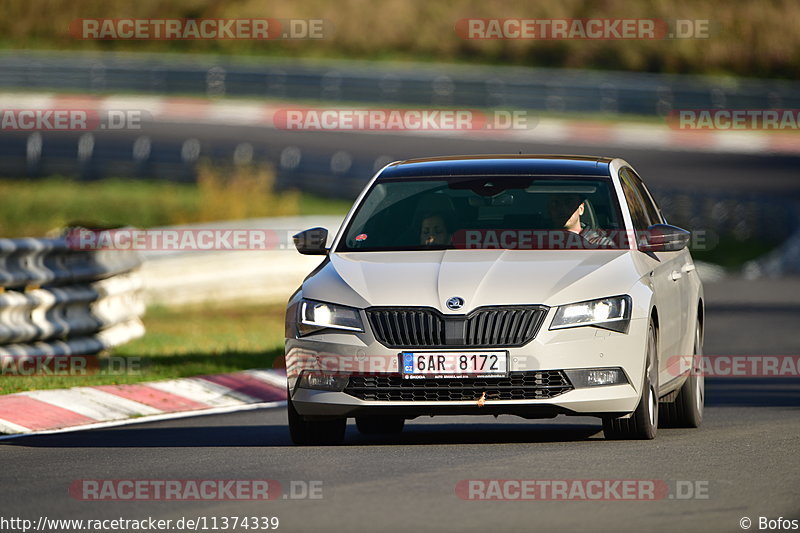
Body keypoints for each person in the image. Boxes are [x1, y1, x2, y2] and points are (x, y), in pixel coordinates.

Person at [548, 193, 616, 248]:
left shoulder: (601, 244)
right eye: (555, 204)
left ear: (581, 209)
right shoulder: (541, 242)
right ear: (549, 210)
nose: (562, 209)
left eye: (568, 202)